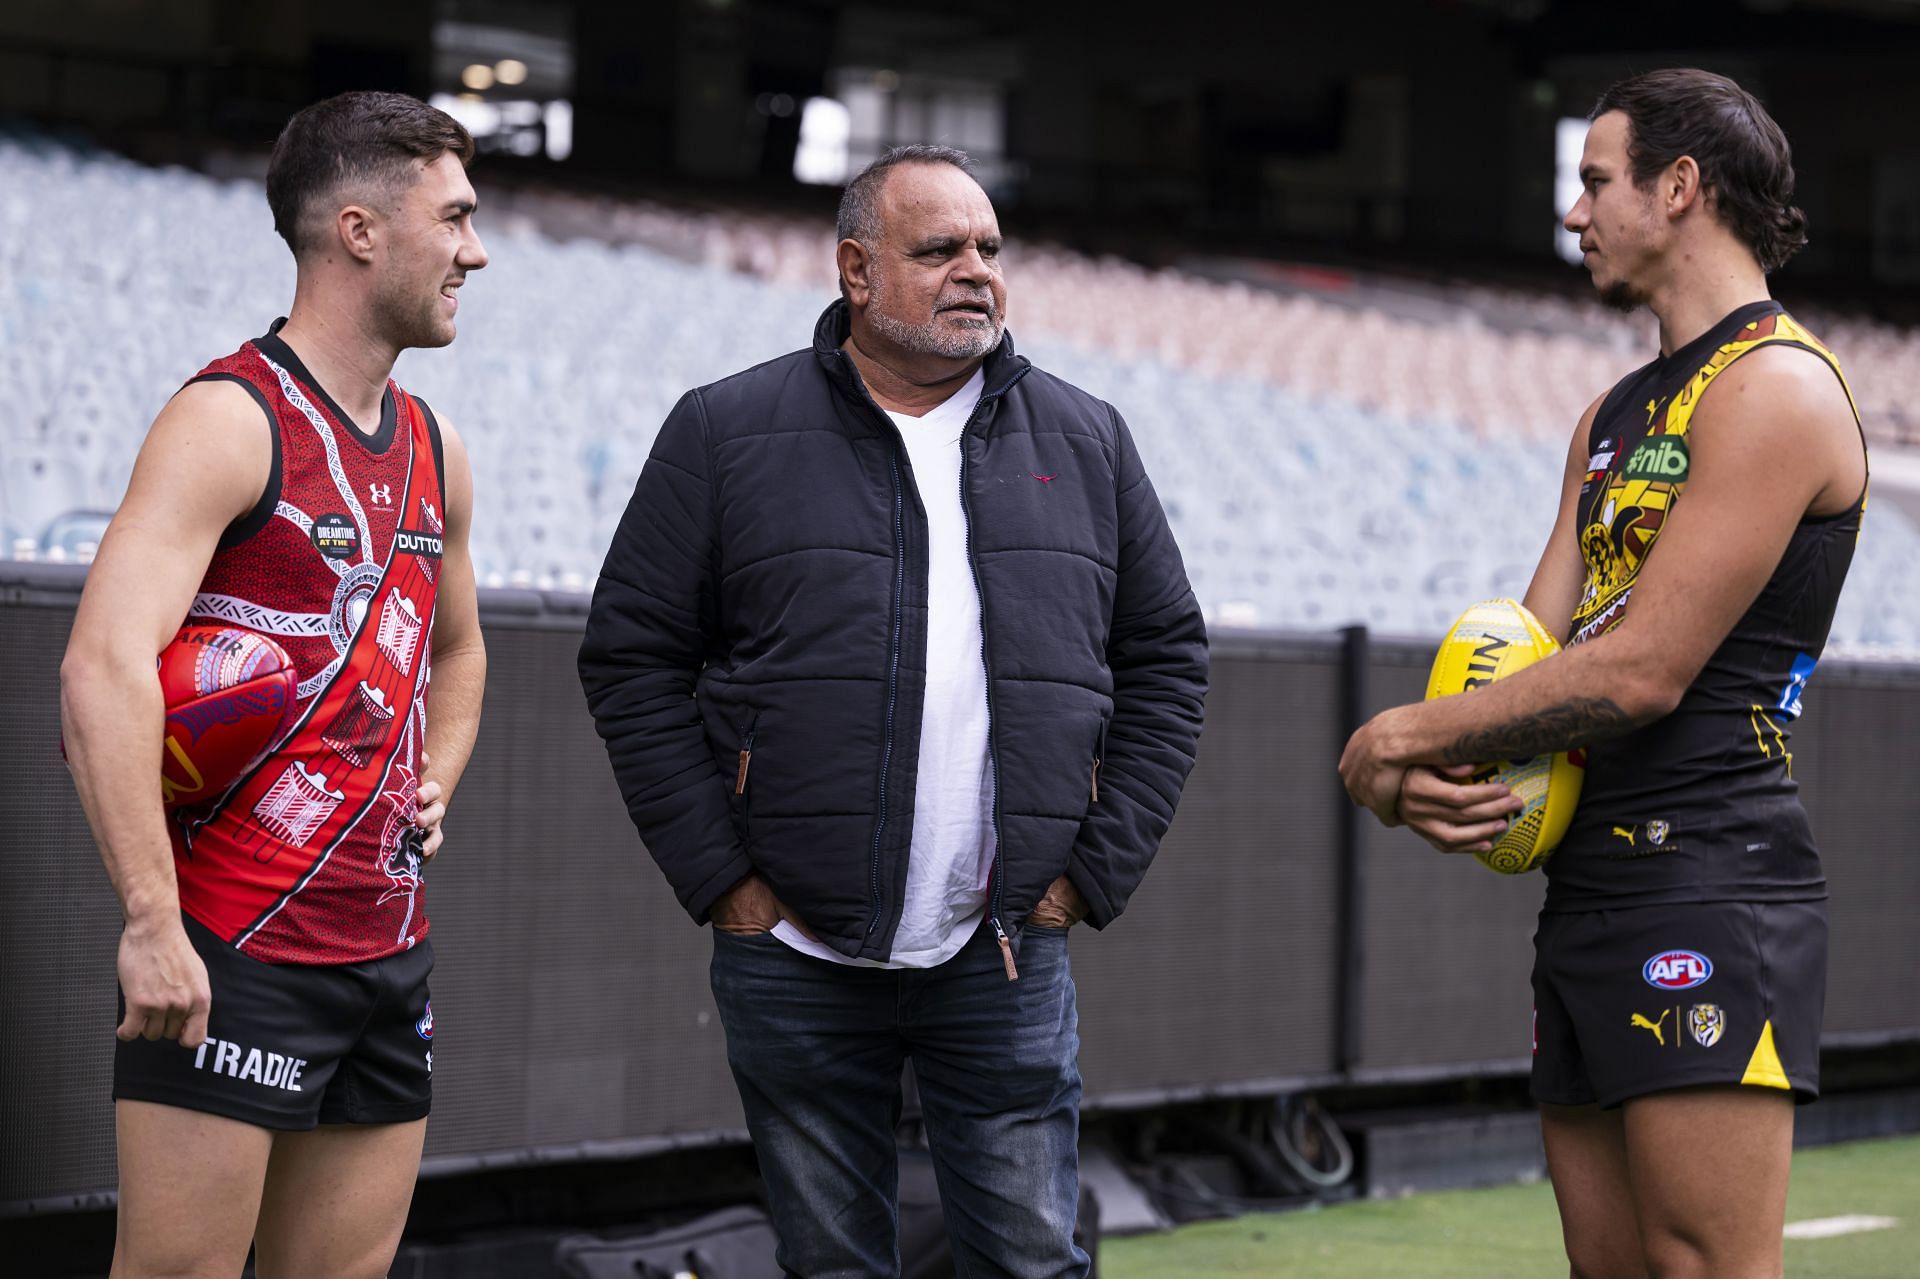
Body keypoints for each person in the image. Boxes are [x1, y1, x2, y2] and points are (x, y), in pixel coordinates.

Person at [579, 143, 1208, 1277]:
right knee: (833, 1266)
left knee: (1030, 1262)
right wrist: (726, 884)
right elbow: (631, 660)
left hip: (1005, 945)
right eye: (940, 249)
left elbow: (1168, 660)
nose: (976, 269)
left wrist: (1085, 873)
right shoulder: (724, 431)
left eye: (989, 248)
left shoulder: (1089, 437)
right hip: (790, 947)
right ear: (857, 270)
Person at [1339, 69, 1866, 1279]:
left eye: (1592, 181)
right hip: (1588, 889)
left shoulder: (1776, 386)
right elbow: (1537, 647)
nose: (1573, 215)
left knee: (1705, 1267)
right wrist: (1431, 780)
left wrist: (1403, 733)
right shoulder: (1609, 417)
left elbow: (1638, 675)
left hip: (1712, 885)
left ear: (1679, 187)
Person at [60, 91, 488, 1278]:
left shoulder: (438, 448)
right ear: (359, 230)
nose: (476, 248)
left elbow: (460, 648)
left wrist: (435, 778)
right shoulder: (225, 420)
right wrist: (151, 921)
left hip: (389, 948)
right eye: (453, 218)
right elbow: (101, 666)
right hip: (232, 946)